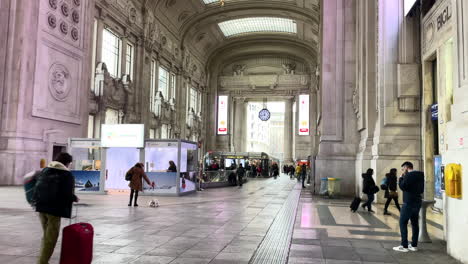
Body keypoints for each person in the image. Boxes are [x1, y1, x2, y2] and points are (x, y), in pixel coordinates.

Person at [32, 153, 78, 264]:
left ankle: (43, 260)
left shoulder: (45, 170)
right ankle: (42, 262)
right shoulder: (66, 174)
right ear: (67, 162)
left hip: (41, 207)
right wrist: (74, 197)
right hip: (54, 210)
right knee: (51, 239)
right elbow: (66, 193)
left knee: (46, 236)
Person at [393, 161, 425, 253]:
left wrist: (400, 178)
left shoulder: (408, 175)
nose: (402, 171)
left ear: (407, 167)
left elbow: (403, 187)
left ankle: (404, 245)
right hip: (417, 201)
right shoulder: (420, 175)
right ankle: (414, 245)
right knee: (415, 223)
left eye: (403, 169)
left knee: (403, 222)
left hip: (408, 202)